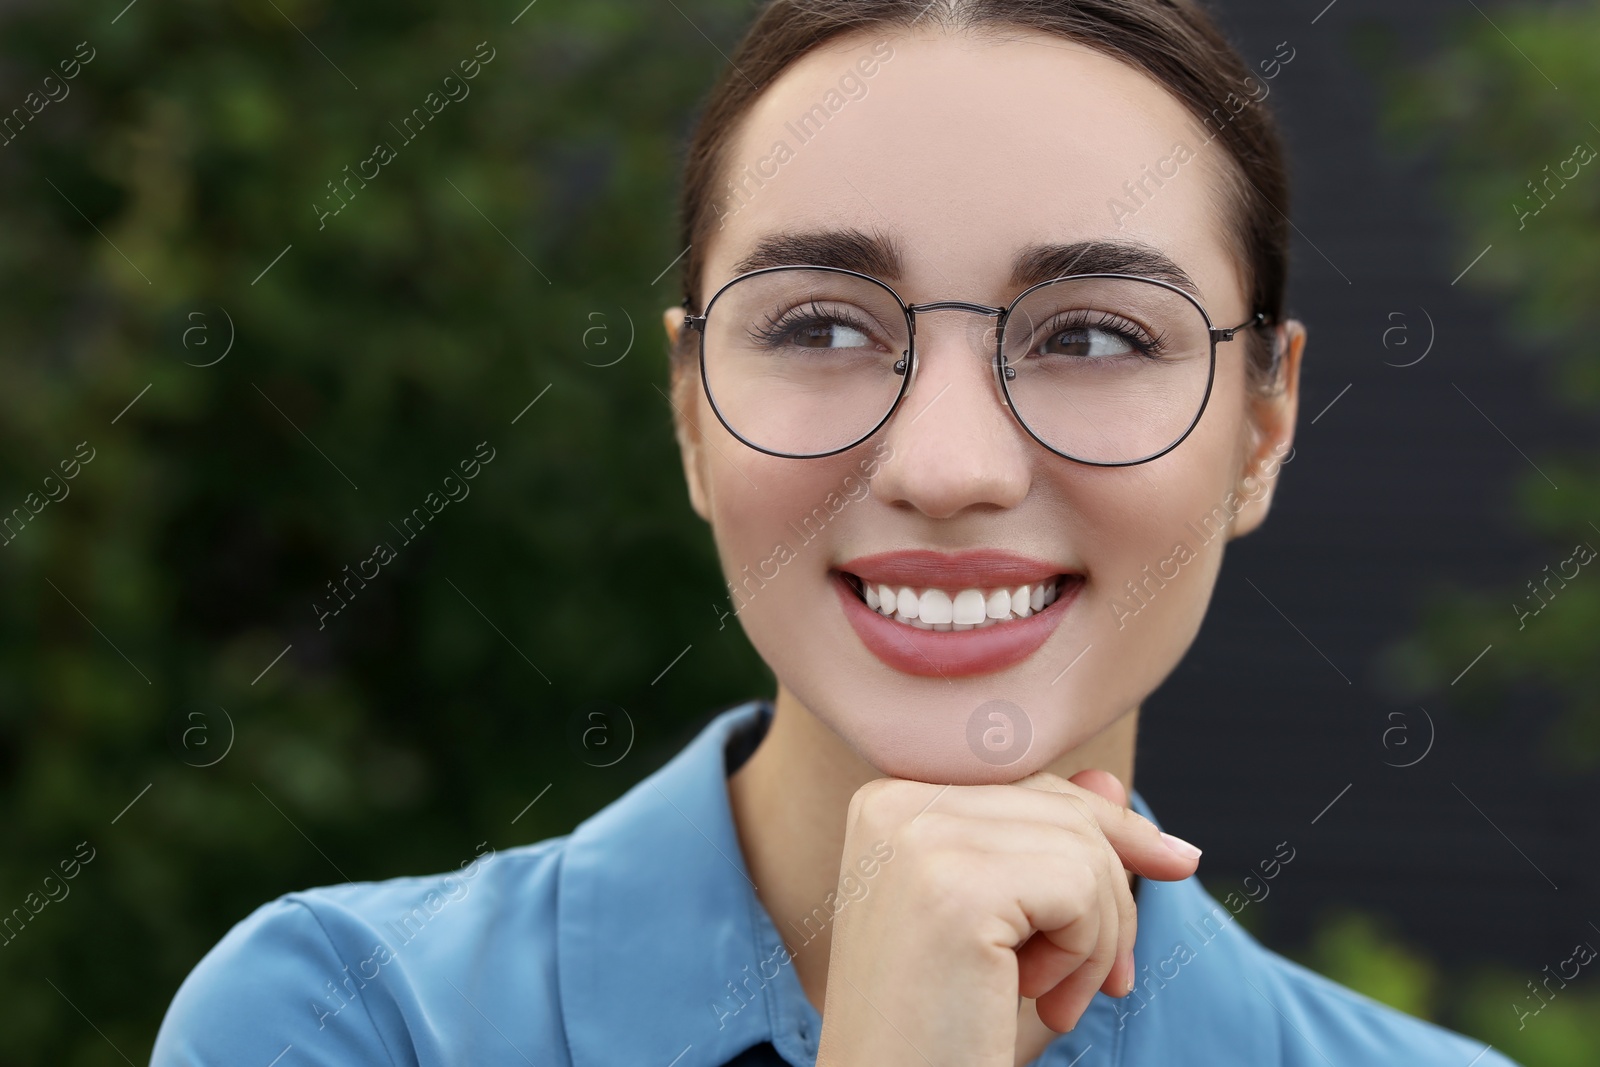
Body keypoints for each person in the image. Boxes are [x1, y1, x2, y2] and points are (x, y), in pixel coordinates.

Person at [152, 2, 1520, 1064]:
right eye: (822, 327)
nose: (948, 466)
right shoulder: (344, 1025)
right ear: (691, 412)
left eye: (1096, 335)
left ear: (1264, 428)